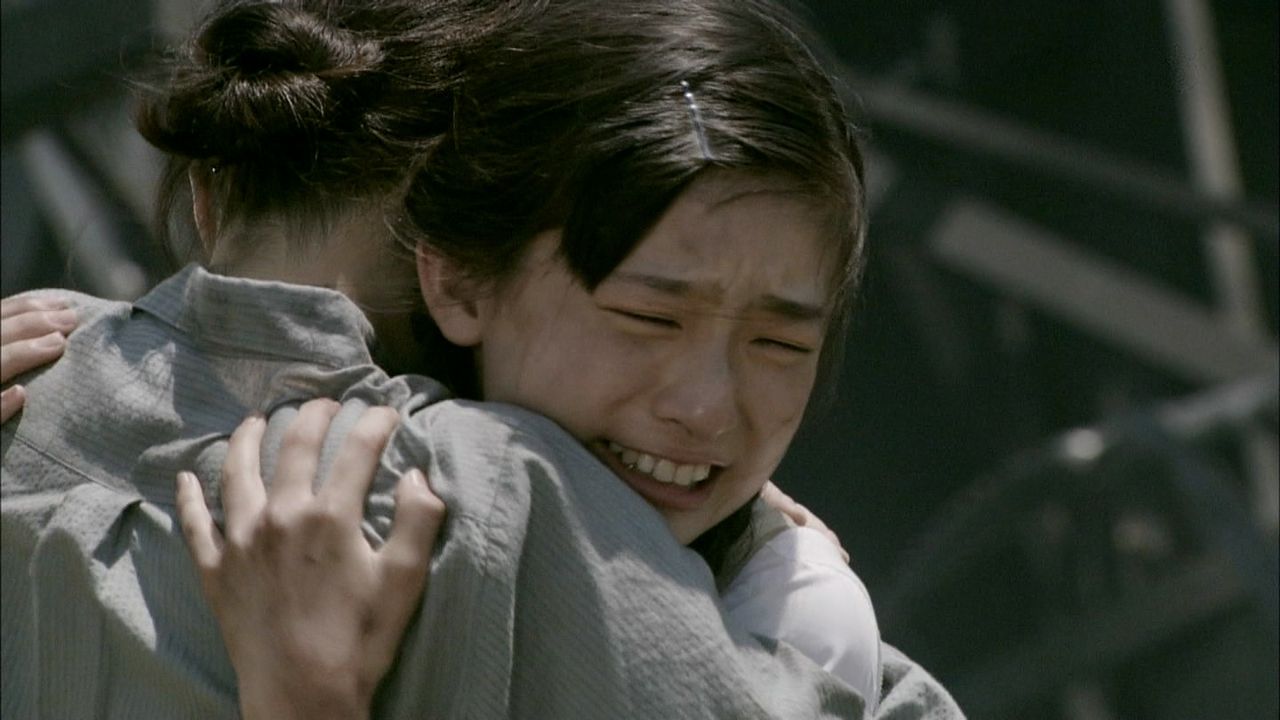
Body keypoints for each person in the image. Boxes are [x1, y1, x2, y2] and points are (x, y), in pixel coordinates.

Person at [1, 0, 963, 718]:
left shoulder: (34, 376)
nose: (705, 406)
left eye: (778, 342)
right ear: (456, 267)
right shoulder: (500, 498)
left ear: (208, 201)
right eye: (646, 316)